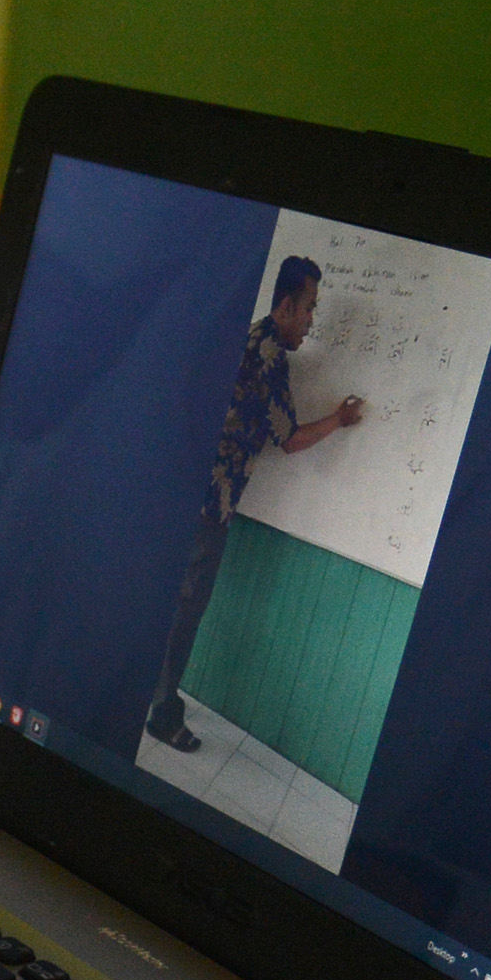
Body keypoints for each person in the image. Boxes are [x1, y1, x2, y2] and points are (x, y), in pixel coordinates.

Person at [143, 255, 366, 753]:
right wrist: (339, 419)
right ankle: (162, 714)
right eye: (309, 308)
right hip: (210, 506)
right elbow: (288, 439)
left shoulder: (241, 336)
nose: (312, 321)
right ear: (286, 305)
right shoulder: (268, 357)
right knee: (185, 613)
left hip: (178, 487)